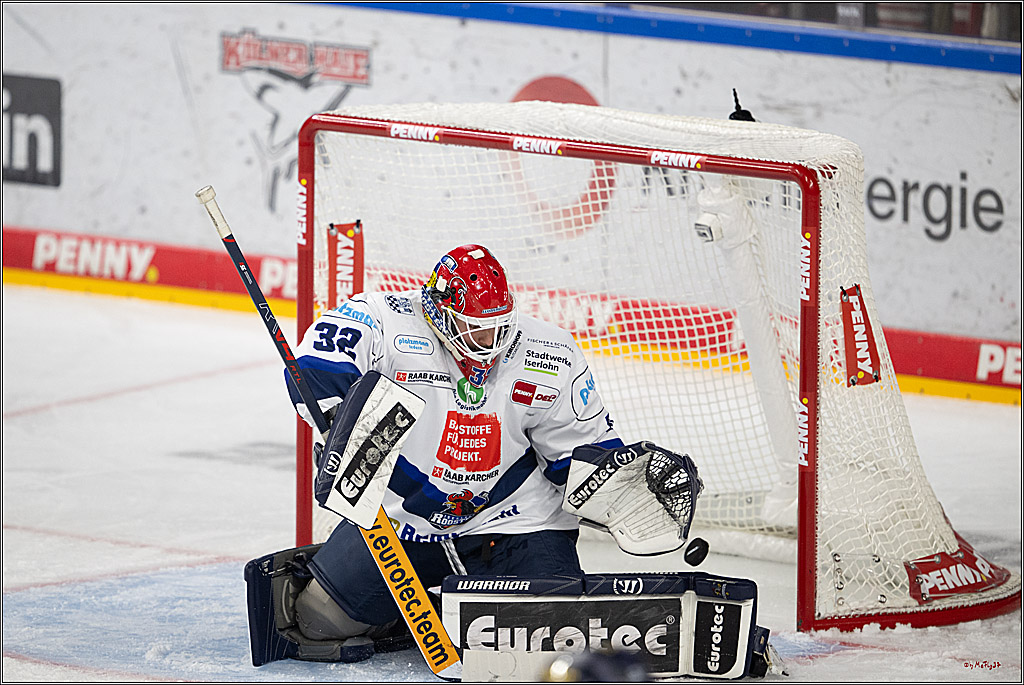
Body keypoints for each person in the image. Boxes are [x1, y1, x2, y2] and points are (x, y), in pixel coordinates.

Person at [283, 244, 624, 657]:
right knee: (320, 620)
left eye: (498, 326)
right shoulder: (385, 320)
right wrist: (339, 422)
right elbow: (317, 365)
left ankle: (459, 607)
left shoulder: (550, 352)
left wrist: (624, 484)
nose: (490, 341)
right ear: (439, 311)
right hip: (402, 523)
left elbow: (579, 452)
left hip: (516, 522)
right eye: (476, 328)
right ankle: (421, 613)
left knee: (553, 634)